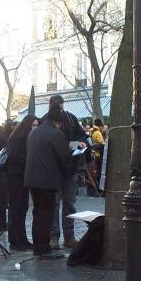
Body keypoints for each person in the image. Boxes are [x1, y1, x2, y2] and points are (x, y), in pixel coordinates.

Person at [40, 95, 88, 249]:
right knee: (54, 204)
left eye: (59, 106)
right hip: (53, 170)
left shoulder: (71, 118)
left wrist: (81, 143)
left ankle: (68, 236)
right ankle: (54, 236)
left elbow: (82, 137)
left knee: (69, 203)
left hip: (70, 169)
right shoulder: (44, 120)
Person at [25, 104, 72, 255]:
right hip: (47, 180)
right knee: (46, 214)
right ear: (58, 122)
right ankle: (43, 248)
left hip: (32, 179)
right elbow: (64, 158)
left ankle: (38, 246)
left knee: (37, 213)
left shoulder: (34, 132)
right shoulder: (56, 134)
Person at [5, 115, 38, 251]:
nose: (35, 128)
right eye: (33, 125)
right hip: (15, 178)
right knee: (16, 209)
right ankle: (15, 240)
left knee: (23, 208)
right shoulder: (17, 139)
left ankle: (22, 238)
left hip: (22, 177)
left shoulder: (27, 138)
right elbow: (15, 158)